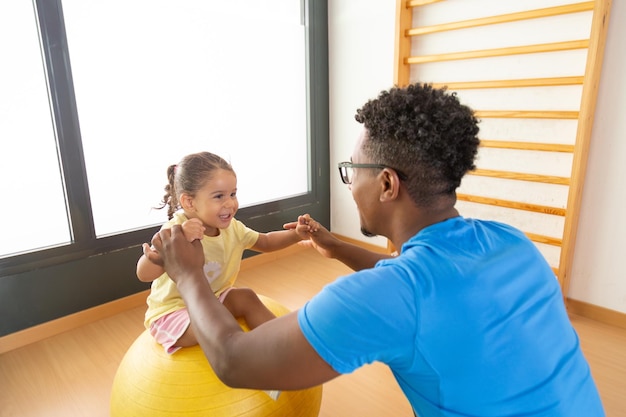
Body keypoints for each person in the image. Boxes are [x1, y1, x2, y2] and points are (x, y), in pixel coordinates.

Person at [146, 84, 605, 416]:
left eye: (352, 170)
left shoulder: (382, 297)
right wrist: (337, 246)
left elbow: (234, 361)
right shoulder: (511, 242)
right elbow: (425, 277)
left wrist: (187, 275)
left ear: (386, 183)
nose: (349, 183)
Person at [137, 151, 303, 363]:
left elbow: (266, 241)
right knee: (219, 325)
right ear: (189, 202)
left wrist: (297, 234)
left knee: (246, 296)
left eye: (233, 194)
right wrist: (157, 258)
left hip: (213, 300)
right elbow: (143, 274)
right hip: (174, 313)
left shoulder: (233, 228)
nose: (230, 204)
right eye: (219, 196)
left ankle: (284, 345)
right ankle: (252, 361)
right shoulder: (175, 231)